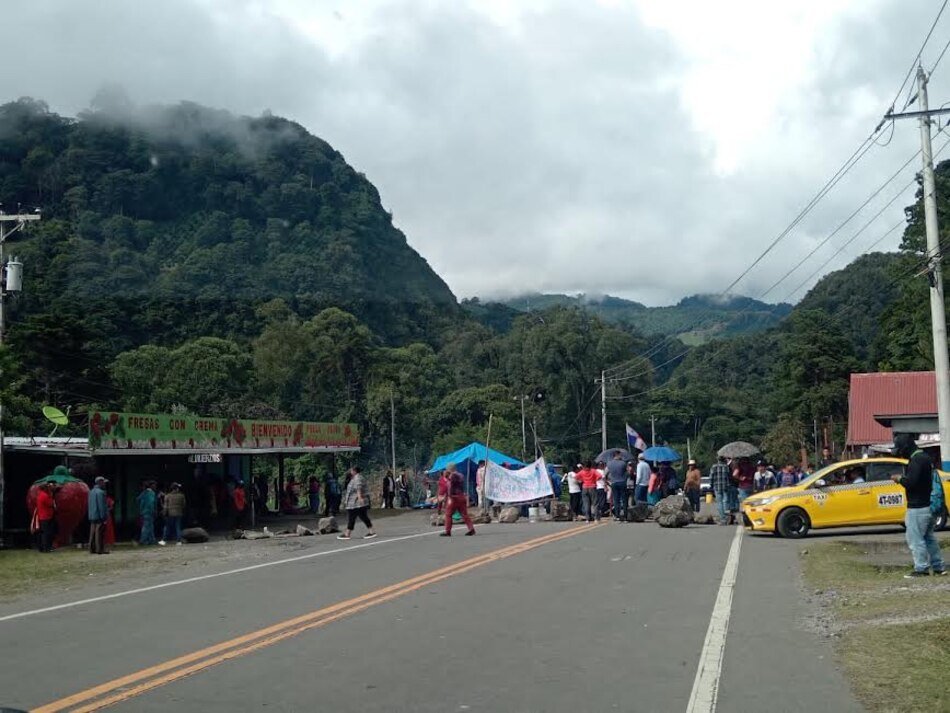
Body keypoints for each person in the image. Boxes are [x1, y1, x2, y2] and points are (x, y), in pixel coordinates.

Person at [892, 434, 946, 578]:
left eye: (900, 450)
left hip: (917, 507)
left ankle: (921, 568)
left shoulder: (916, 460)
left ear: (906, 448)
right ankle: (939, 567)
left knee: (916, 540)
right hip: (928, 505)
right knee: (929, 538)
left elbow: (912, 483)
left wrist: (899, 479)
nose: (900, 453)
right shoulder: (926, 458)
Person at [338, 467, 376, 540]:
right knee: (362, 516)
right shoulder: (355, 478)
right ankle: (371, 531)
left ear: (354, 471)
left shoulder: (358, 478)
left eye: (351, 470)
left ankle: (347, 533)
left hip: (355, 503)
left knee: (352, 517)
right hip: (354, 503)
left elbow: (359, 487)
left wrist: (360, 497)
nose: (350, 471)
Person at [441, 463, 476, 537]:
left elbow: (451, 484)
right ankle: (471, 528)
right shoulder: (461, 475)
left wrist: (447, 477)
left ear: (449, 469)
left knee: (448, 514)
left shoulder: (453, 476)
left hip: (454, 497)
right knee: (464, 514)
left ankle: (448, 531)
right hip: (461, 496)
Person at [709, 457, 734, 525]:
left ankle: (722, 518)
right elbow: (729, 477)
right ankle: (727, 516)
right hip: (725, 486)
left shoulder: (714, 467)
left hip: (717, 486)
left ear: (718, 460)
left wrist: (711, 485)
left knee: (719, 503)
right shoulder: (726, 467)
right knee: (725, 501)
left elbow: (711, 477)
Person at [89, 476, 110, 553]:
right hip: (99, 515)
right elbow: (102, 506)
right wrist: (104, 517)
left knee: (92, 533)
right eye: (104, 482)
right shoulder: (101, 492)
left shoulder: (91, 492)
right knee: (99, 533)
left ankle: (92, 548)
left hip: (92, 515)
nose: (104, 484)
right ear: (100, 482)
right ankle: (100, 549)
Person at [606, 452, 628, 521]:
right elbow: (627, 472)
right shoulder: (623, 463)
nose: (621, 456)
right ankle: (625, 516)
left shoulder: (609, 463)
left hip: (614, 482)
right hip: (622, 482)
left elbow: (605, 474)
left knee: (616, 500)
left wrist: (607, 481)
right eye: (620, 455)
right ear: (617, 455)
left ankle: (617, 515)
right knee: (624, 500)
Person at [36, 482, 57, 552]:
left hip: (42, 516)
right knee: (46, 533)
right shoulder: (45, 496)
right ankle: (46, 548)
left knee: (42, 533)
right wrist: (51, 495)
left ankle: (41, 547)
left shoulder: (40, 494)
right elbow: (51, 504)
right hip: (46, 516)